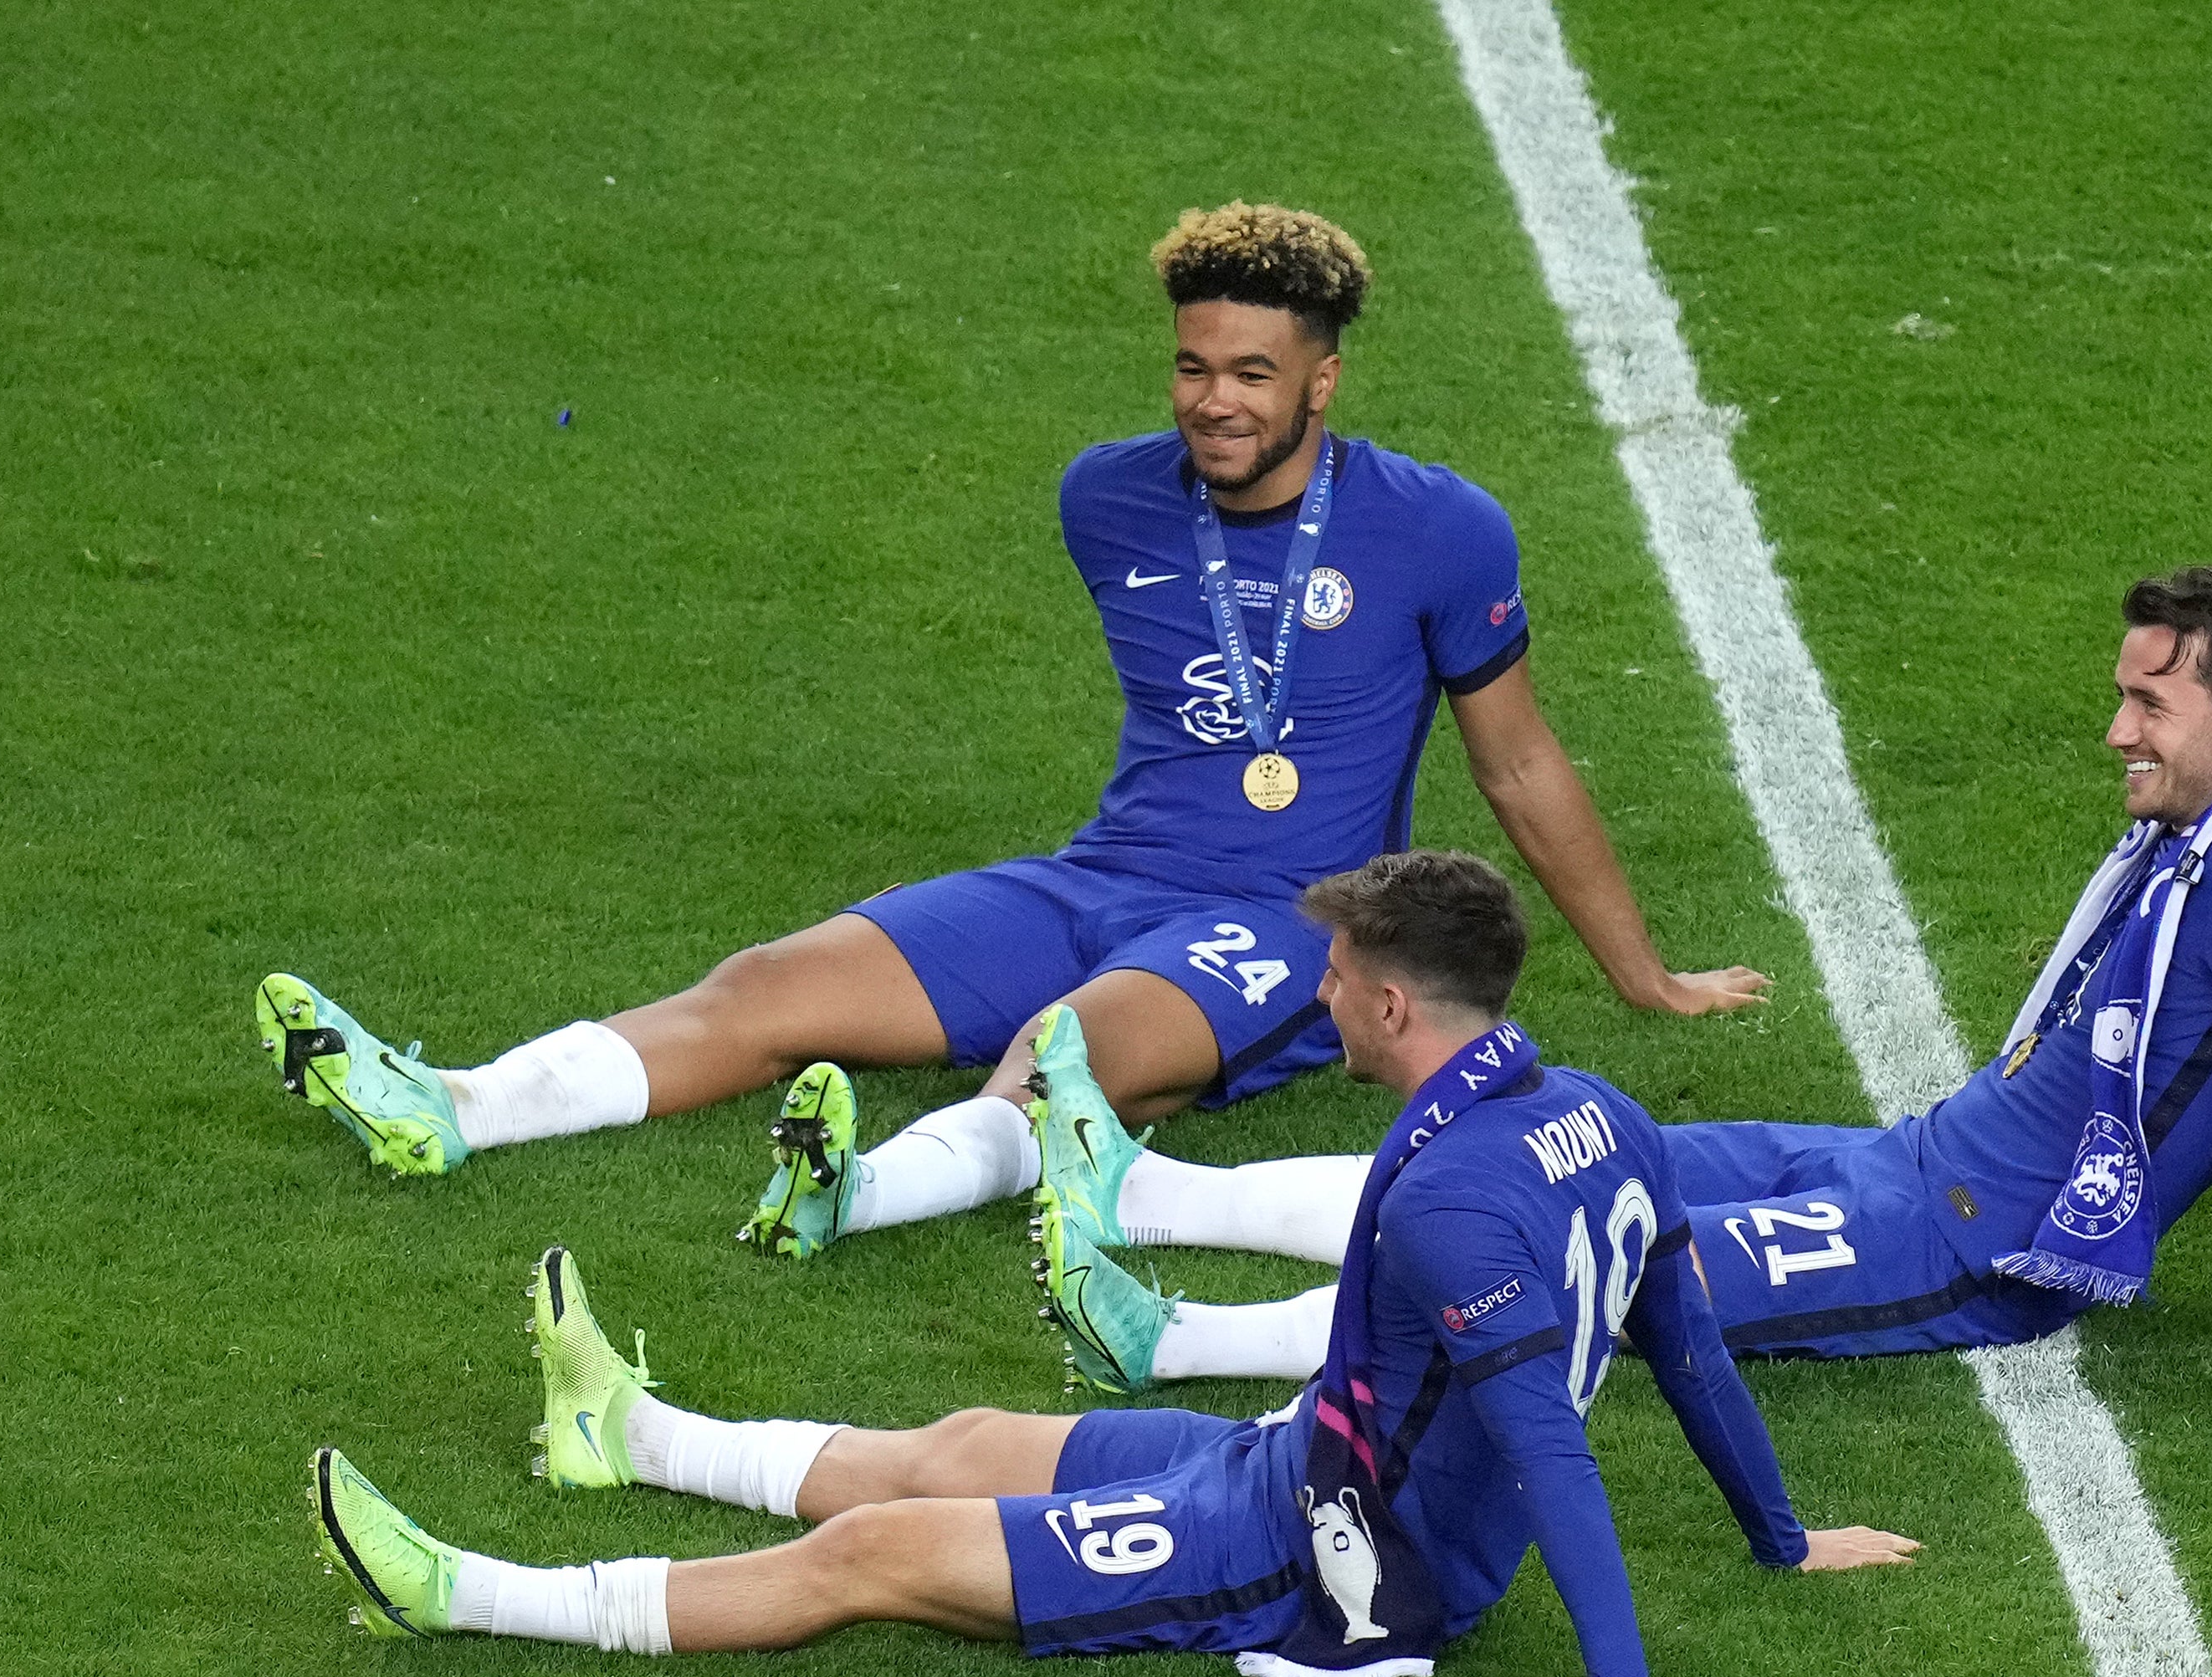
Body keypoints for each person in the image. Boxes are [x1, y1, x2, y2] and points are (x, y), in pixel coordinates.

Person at [248, 202, 1765, 1269]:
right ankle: (455, 1110)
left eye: (1251, 373)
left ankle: (853, 1199)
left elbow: (1517, 761)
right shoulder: (1104, 499)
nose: (1214, 403)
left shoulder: (1439, 530)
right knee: (773, 984)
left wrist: (1643, 975)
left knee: (1072, 1060)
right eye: (1192, 366)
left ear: (1323, 377)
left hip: (1284, 926)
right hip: (1097, 878)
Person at [306, 853, 1907, 1677]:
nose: (1319, 990)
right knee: (965, 1443)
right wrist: (1780, 1537)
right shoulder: (1598, 1113)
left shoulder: (1449, 1198)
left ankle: (472, 1598)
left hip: (1324, 1571)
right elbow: (1681, 1335)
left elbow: (1548, 1445)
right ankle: (624, 1435)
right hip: (1304, 1466)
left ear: (1398, 1006)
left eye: (1339, 975)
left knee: (874, 1563)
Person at [1064, 567, 2212, 1424]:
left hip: (1967, 1240)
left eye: (2149, 704)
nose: (2115, 727)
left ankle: (1173, 1340)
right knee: (1560, 1156)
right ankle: (1143, 1188)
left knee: (1579, 1260)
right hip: (1918, 1154)